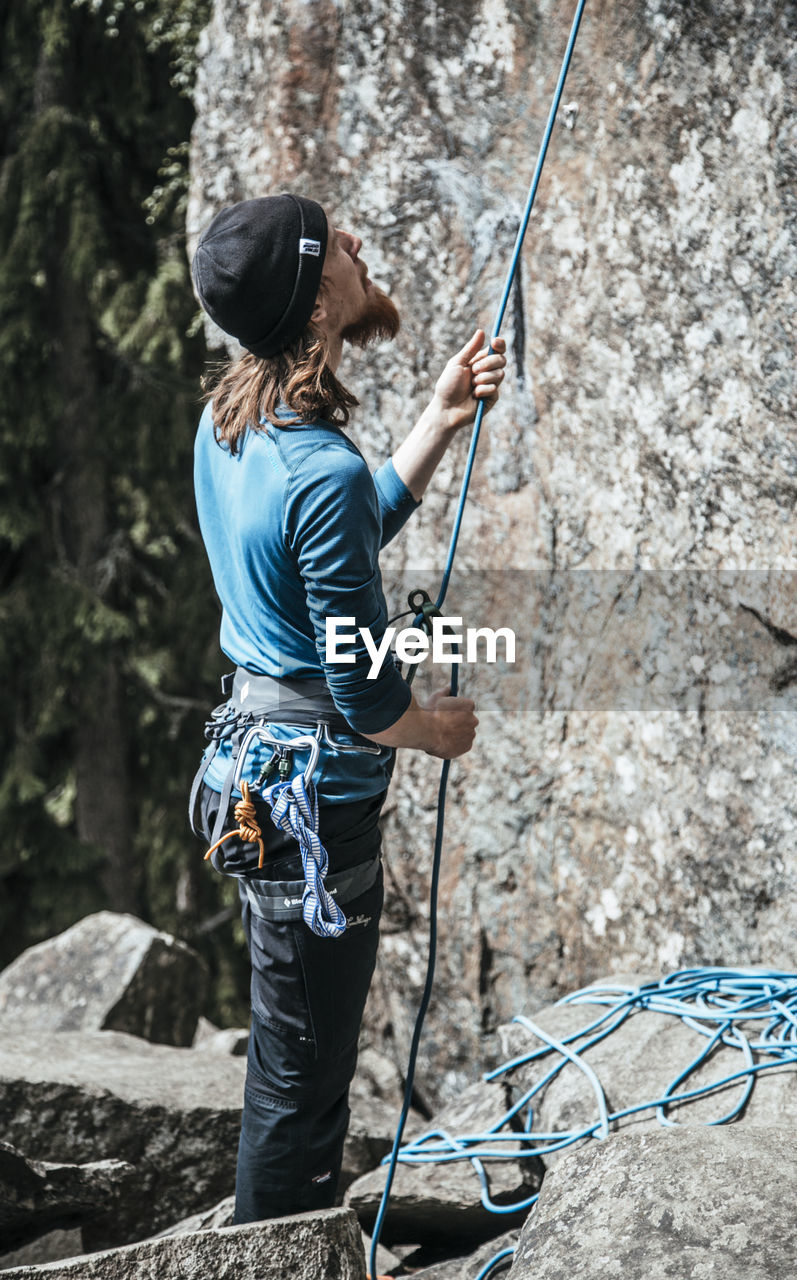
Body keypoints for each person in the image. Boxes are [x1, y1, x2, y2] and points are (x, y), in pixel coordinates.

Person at [189, 192, 506, 1223]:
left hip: (253, 774)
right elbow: (366, 692)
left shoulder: (233, 418)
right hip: (309, 803)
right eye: (338, 242)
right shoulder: (315, 466)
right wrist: (430, 729)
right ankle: (272, 1252)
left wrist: (437, 420)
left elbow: (326, 533)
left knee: (294, 1061)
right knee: (301, 1085)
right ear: (320, 296)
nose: (360, 243)